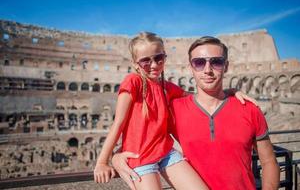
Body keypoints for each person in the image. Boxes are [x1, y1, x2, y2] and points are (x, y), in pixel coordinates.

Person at [111, 36, 280, 190]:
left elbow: (268, 161)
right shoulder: (174, 109)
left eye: (216, 62)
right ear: (191, 67)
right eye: (199, 62)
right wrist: (116, 157)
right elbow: (144, 136)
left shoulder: (249, 109)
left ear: (226, 66)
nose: (207, 69)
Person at [94, 32, 208, 190]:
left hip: (167, 153)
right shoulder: (133, 82)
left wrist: (229, 92)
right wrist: (102, 162)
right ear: (135, 63)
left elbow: (198, 97)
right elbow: (118, 123)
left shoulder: (167, 87)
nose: (154, 65)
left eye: (158, 58)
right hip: (140, 158)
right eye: (146, 61)